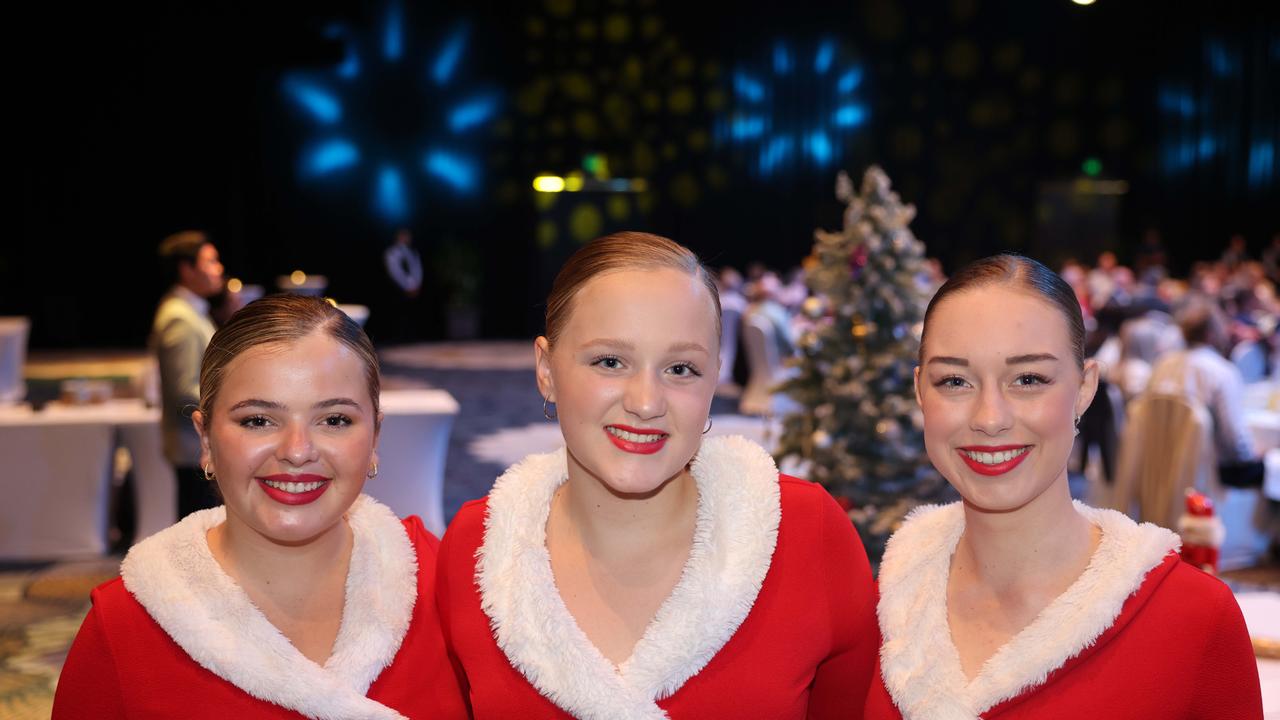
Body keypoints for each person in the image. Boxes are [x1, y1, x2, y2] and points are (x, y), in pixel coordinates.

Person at [437, 232, 877, 718]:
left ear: (714, 379)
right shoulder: (477, 547)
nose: (645, 402)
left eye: (681, 369)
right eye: (609, 361)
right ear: (547, 369)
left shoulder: (807, 535)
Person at [865, 255, 1261, 719]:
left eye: (1028, 379)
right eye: (955, 380)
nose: (989, 418)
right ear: (920, 392)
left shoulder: (1193, 618)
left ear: (1085, 388)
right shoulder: (888, 603)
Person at [54, 295, 467, 719]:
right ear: (206, 439)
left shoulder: (446, 589)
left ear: (375, 436)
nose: (297, 451)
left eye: (334, 420)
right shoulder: (124, 629)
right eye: (258, 420)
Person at [151, 230, 224, 518]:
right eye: (211, 261)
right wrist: (232, 408)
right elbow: (183, 391)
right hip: (194, 445)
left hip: (200, 442)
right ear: (187, 269)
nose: (219, 269)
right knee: (198, 530)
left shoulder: (191, 310)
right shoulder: (178, 317)